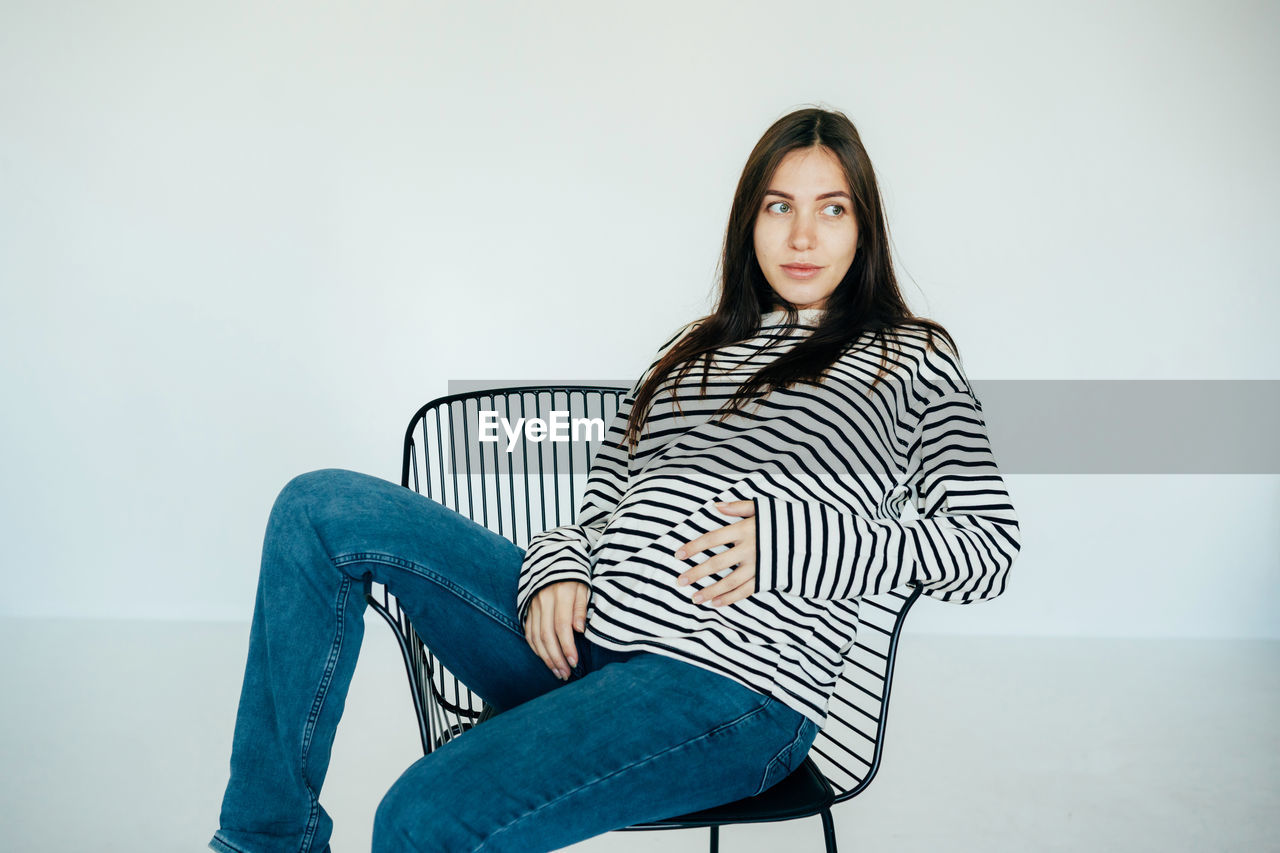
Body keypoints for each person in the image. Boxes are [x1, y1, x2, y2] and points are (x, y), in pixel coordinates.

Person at [209, 105, 1021, 853]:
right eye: (779, 206)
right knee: (320, 508)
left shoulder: (908, 358)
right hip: (583, 642)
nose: (803, 235)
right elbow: (601, 509)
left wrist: (789, 542)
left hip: (727, 689)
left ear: (863, 226)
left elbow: (987, 548)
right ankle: (263, 840)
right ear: (749, 222)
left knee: (420, 817)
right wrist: (560, 562)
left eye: (831, 208)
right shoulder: (689, 355)